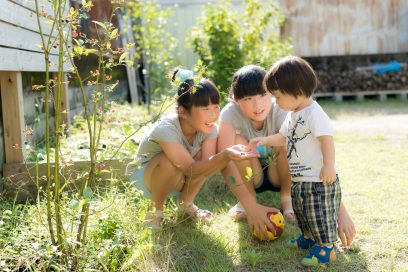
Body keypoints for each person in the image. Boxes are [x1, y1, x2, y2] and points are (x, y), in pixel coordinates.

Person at [218, 64, 355, 245]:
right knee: (237, 144)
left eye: (264, 95)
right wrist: (250, 206)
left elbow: (313, 157)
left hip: (282, 174)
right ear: (235, 100)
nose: (258, 104)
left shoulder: (284, 108)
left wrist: (340, 211)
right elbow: (226, 160)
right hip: (252, 174)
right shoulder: (230, 113)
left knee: (289, 141)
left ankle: (286, 199)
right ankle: (247, 200)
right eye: (249, 98)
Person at [126, 68, 257, 230]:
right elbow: (190, 169)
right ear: (183, 112)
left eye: (216, 107)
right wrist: (225, 155)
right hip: (144, 178)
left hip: (177, 177)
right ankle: (155, 211)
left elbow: (205, 167)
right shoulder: (166, 129)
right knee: (168, 161)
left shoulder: (209, 130)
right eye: (205, 109)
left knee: (205, 160)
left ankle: (185, 205)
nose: (213, 115)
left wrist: (223, 157)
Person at [248, 56, 346, 266]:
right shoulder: (292, 115)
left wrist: (329, 165)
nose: (276, 102)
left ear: (298, 91)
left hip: (318, 178)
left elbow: (326, 139)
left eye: (278, 96)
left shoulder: (314, 113)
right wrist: (264, 139)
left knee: (318, 212)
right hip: (300, 178)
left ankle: (326, 248)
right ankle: (309, 238)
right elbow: (283, 138)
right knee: (303, 211)